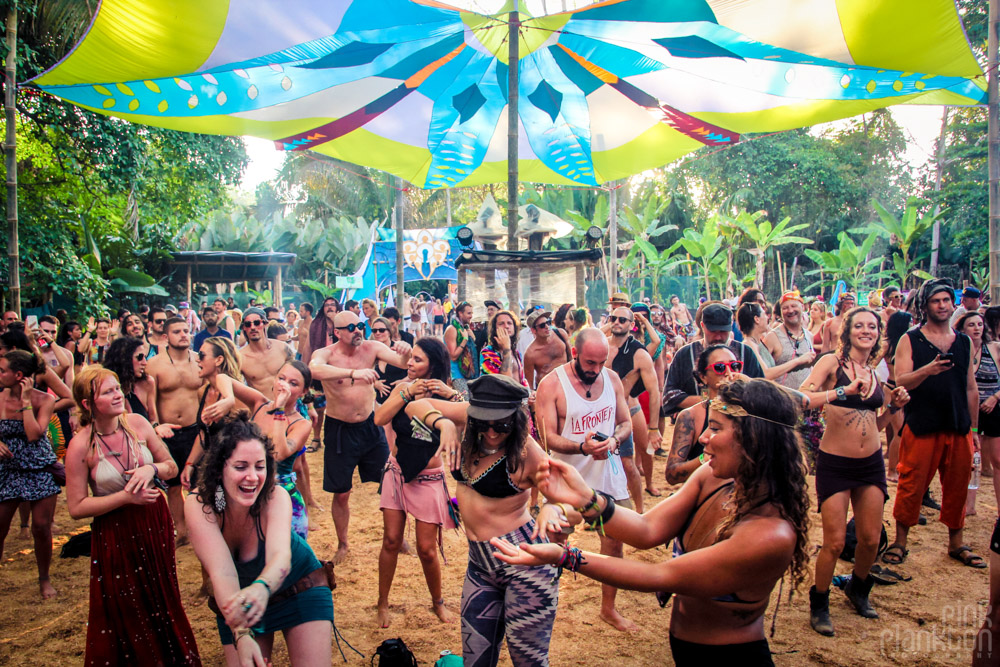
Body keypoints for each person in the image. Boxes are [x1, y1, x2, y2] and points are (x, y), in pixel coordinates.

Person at [494, 378, 811, 667]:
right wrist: (584, 497)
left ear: (755, 438)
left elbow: (658, 575)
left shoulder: (770, 534)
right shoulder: (714, 478)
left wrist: (565, 556)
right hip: (685, 648)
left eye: (715, 428)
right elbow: (646, 530)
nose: (703, 438)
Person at [65, 366, 201, 665]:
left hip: (154, 521)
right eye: (108, 391)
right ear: (88, 404)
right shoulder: (80, 446)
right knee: (125, 600)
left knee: (161, 594)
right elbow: (76, 507)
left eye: (117, 388)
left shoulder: (138, 424)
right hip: (114, 529)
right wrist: (125, 497)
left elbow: (171, 467)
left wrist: (150, 469)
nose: (118, 395)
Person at [185, 416, 334, 666]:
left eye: (260, 466)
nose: (253, 477)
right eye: (241, 467)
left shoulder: (275, 497)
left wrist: (262, 587)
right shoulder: (201, 505)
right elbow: (222, 572)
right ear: (220, 468)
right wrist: (241, 634)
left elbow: (280, 557)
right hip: (239, 599)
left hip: (300, 587)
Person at [797, 307, 910, 636]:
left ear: (878, 333)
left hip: (870, 462)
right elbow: (803, 397)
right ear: (846, 332)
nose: (866, 330)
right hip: (836, 462)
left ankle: (858, 589)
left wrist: (894, 408)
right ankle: (819, 602)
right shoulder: (832, 362)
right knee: (833, 543)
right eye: (858, 325)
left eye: (872, 326)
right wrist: (842, 391)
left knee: (870, 539)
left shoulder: (875, 371)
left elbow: (875, 423)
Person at [444, 373, 564, 666]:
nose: (493, 432)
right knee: (476, 660)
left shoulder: (527, 452)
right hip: (480, 565)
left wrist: (551, 507)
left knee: (528, 662)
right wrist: (444, 423)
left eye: (503, 424)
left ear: (517, 418)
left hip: (526, 566)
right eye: (484, 423)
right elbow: (414, 406)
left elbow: (566, 499)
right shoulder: (468, 426)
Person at [534, 328, 636, 631]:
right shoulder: (551, 385)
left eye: (601, 363)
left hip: (609, 477)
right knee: (555, 542)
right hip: (566, 480)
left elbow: (625, 423)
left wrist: (614, 442)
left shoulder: (612, 379)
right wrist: (582, 447)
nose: (596, 370)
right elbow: (547, 438)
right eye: (590, 363)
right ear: (575, 354)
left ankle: (609, 609)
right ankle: (544, 603)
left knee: (614, 544)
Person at [885, 279, 982, 568]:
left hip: (958, 425)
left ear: (953, 304)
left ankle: (956, 543)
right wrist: (929, 369)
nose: (942, 305)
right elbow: (900, 381)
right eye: (935, 301)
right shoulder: (910, 339)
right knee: (911, 483)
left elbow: (970, 388)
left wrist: (975, 430)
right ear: (925, 305)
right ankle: (900, 542)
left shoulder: (963, 341)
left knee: (958, 486)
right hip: (922, 424)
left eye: (946, 300)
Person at [373, 337, 463, 628]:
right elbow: (378, 418)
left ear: (433, 365)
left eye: (417, 360)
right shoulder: (402, 387)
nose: (409, 363)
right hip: (397, 473)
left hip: (428, 479)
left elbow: (467, 425)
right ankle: (382, 602)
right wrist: (408, 392)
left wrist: (452, 395)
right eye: (410, 358)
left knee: (426, 548)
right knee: (391, 540)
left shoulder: (449, 393)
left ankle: (438, 601)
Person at [309, 310, 411, 563]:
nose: (358, 330)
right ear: (337, 332)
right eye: (351, 327)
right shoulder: (327, 354)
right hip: (339, 430)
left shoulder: (372, 347)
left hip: (369, 426)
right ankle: (343, 544)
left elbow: (402, 361)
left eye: (360, 325)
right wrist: (353, 374)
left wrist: (407, 350)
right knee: (341, 492)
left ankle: (397, 537)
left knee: (391, 482)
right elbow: (314, 370)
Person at [0, 350, 60, 599]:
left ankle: (44, 579)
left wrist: (25, 401)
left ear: (19, 375)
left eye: (3, 370)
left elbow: (35, 434)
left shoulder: (43, 400)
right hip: (8, 469)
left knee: (41, 526)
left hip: (39, 467)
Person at [146, 317, 205, 544]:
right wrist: (155, 428)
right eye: (177, 331)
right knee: (173, 484)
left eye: (186, 330)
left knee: (200, 481)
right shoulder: (155, 364)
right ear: (165, 337)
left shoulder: (199, 361)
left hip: (195, 430)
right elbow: (150, 402)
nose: (183, 335)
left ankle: (201, 526)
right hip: (168, 433)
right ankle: (181, 530)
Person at [662, 303, 764, 418]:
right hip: (697, 424)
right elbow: (669, 396)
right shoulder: (685, 354)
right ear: (702, 326)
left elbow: (761, 392)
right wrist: (711, 400)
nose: (718, 337)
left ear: (731, 326)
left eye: (723, 331)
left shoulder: (746, 352)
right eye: (713, 331)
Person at [605, 306, 661, 508]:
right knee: (598, 464)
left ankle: (639, 509)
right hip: (599, 414)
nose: (617, 322)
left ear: (632, 325)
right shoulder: (601, 345)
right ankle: (600, 510)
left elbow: (654, 391)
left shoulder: (639, 353)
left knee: (628, 463)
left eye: (622, 320)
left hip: (625, 412)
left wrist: (654, 428)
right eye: (614, 318)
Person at [666, 345, 741, 485]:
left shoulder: (750, 412)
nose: (729, 373)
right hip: (705, 496)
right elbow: (672, 474)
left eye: (735, 366)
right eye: (720, 367)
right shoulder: (691, 416)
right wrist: (706, 457)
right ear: (703, 377)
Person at [956, 310, 1000, 514]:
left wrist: (995, 397)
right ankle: (969, 506)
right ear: (963, 329)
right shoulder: (960, 349)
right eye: (971, 325)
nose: (977, 328)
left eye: (980, 324)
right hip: (967, 411)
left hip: (993, 408)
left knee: (997, 460)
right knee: (970, 460)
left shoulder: (995, 348)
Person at [738, 303, 814, 382]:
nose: (768, 318)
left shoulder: (758, 342)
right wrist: (798, 360)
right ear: (757, 319)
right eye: (764, 314)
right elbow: (765, 374)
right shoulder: (749, 344)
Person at [763, 291, 816, 390]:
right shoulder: (772, 337)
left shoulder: (809, 336)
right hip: (783, 400)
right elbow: (763, 374)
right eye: (785, 308)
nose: (790, 311)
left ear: (802, 307)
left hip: (807, 400)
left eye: (794, 306)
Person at [238, 307, 292, 401]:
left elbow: (298, 375)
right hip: (262, 409)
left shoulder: (282, 348)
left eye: (257, 323)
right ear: (244, 328)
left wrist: (310, 406)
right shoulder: (240, 357)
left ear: (265, 324)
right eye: (248, 324)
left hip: (287, 406)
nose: (253, 327)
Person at [523, 310, 571, 389]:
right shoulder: (530, 353)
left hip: (566, 383)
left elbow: (571, 359)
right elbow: (529, 384)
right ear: (533, 330)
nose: (547, 326)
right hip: (547, 389)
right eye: (542, 325)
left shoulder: (561, 334)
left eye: (548, 322)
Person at [480, 310, 526, 385]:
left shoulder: (516, 353)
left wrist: (529, 392)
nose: (507, 326)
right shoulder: (488, 352)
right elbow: (504, 383)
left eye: (509, 323)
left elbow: (521, 380)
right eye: (501, 323)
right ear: (495, 329)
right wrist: (506, 349)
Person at [445, 301, 479, 396]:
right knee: (464, 404)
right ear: (460, 313)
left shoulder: (466, 329)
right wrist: (464, 340)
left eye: (472, 313)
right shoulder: (452, 329)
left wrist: (473, 339)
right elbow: (453, 356)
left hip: (471, 374)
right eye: (468, 313)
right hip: (458, 375)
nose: (471, 316)